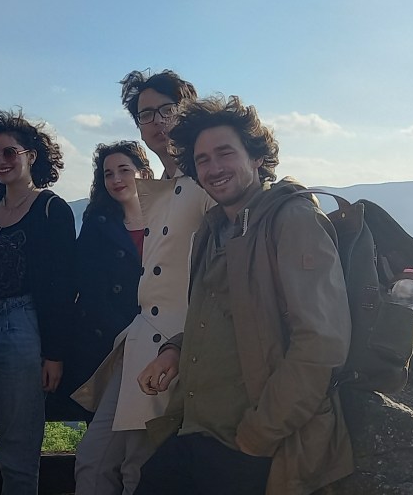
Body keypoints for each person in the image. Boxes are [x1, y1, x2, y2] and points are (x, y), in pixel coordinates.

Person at [134, 96, 354, 495]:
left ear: (256, 157)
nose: (214, 168)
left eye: (225, 153)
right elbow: (222, 316)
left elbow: (321, 343)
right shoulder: (212, 227)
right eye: (202, 160)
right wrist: (175, 349)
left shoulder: (292, 219)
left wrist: (257, 436)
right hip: (197, 431)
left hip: (252, 442)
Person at [72, 70, 211, 495]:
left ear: (187, 111)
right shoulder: (161, 187)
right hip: (140, 341)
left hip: (180, 347)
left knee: (140, 469)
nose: (157, 121)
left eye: (167, 110)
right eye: (146, 114)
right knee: (94, 460)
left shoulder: (207, 178)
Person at [0, 110, 77, 495]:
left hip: (25, 326)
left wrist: (54, 354)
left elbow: (62, 287)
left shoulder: (52, 209)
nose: (1, 161)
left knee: (18, 455)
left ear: (31, 156)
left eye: (10, 152)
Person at [59, 141, 153, 419]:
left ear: (144, 173)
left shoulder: (167, 220)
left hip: (155, 342)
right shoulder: (96, 224)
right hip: (106, 347)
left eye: (124, 170)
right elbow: (85, 284)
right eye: (108, 174)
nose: (116, 179)